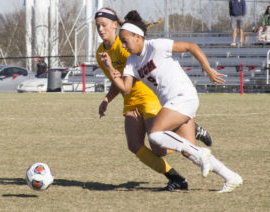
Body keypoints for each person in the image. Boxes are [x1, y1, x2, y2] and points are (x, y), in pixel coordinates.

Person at [99, 10, 243, 193]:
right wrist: (110, 67)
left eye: (125, 41)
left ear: (137, 36)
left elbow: (191, 46)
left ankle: (201, 153)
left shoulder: (156, 46)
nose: (124, 46)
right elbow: (125, 88)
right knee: (187, 150)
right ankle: (231, 177)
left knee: (155, 134)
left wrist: (209, 70)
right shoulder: (132, 62)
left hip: (184, 96)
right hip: (173, 104)